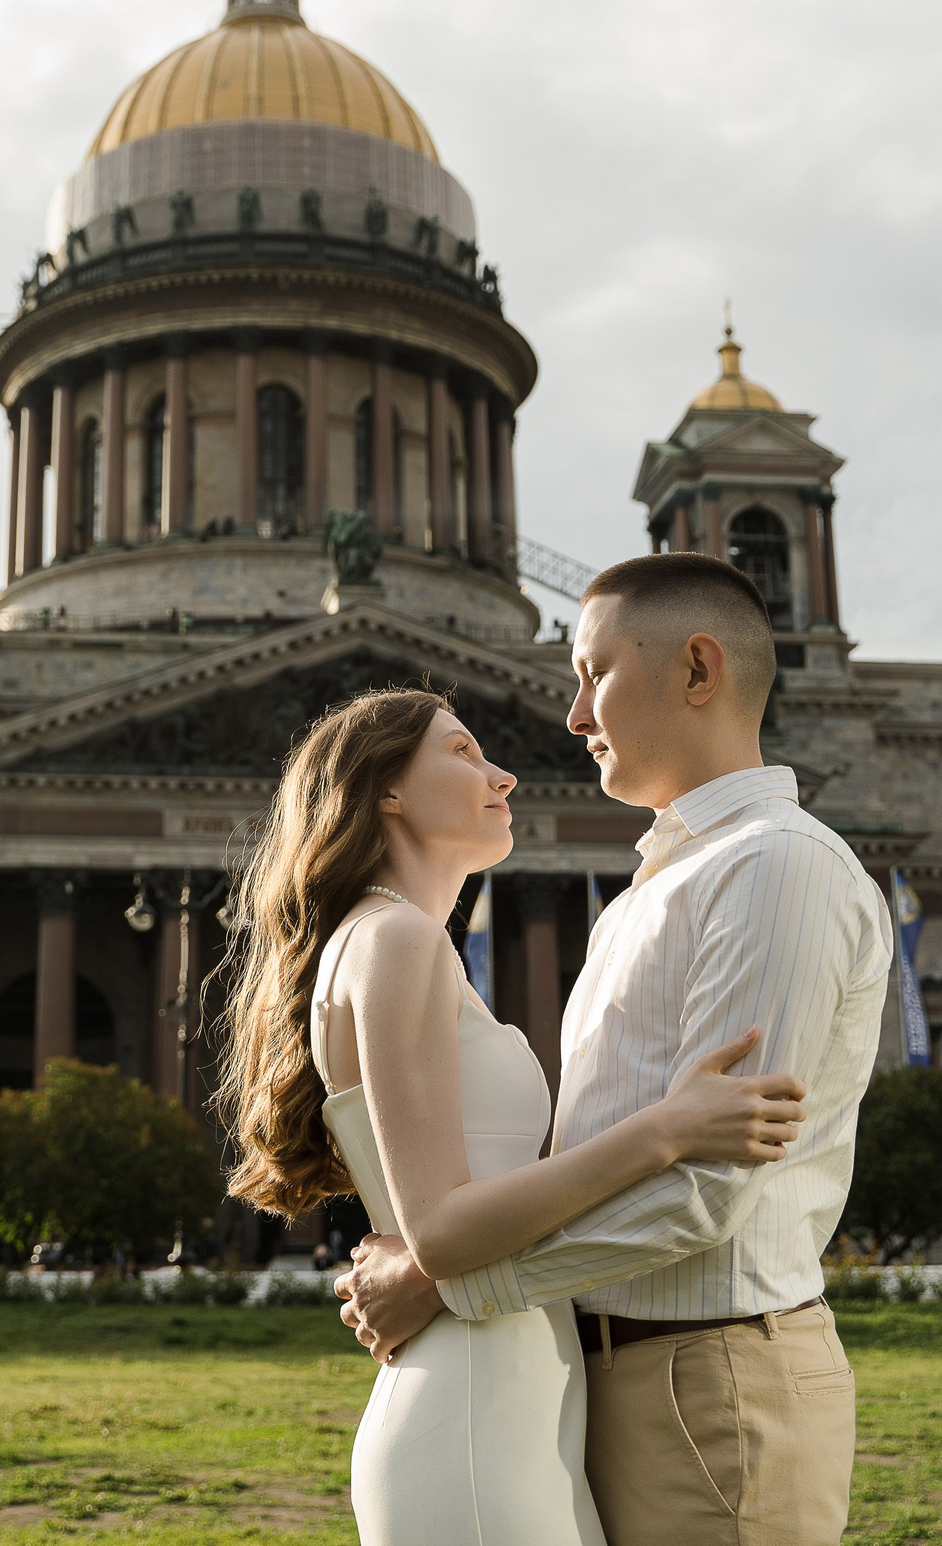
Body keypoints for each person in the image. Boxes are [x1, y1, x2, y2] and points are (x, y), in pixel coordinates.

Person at [333, 554, 891, 1545]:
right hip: (601, 1378)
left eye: (594, 673)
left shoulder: (775, 867)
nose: (573, 714)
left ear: (698, 669)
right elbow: (600, 1157)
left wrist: (449, 1277)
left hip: (710, 1379)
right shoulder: (647, 896)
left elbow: (706, 1191)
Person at [216, 677, 808, 1546]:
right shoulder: (397, 939)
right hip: (475, 1408)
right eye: (462, 752)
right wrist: (669, 1127)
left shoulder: (384, 940)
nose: (504, 775)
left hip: (500, 1398)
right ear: (384, 789)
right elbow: (442, 1231)